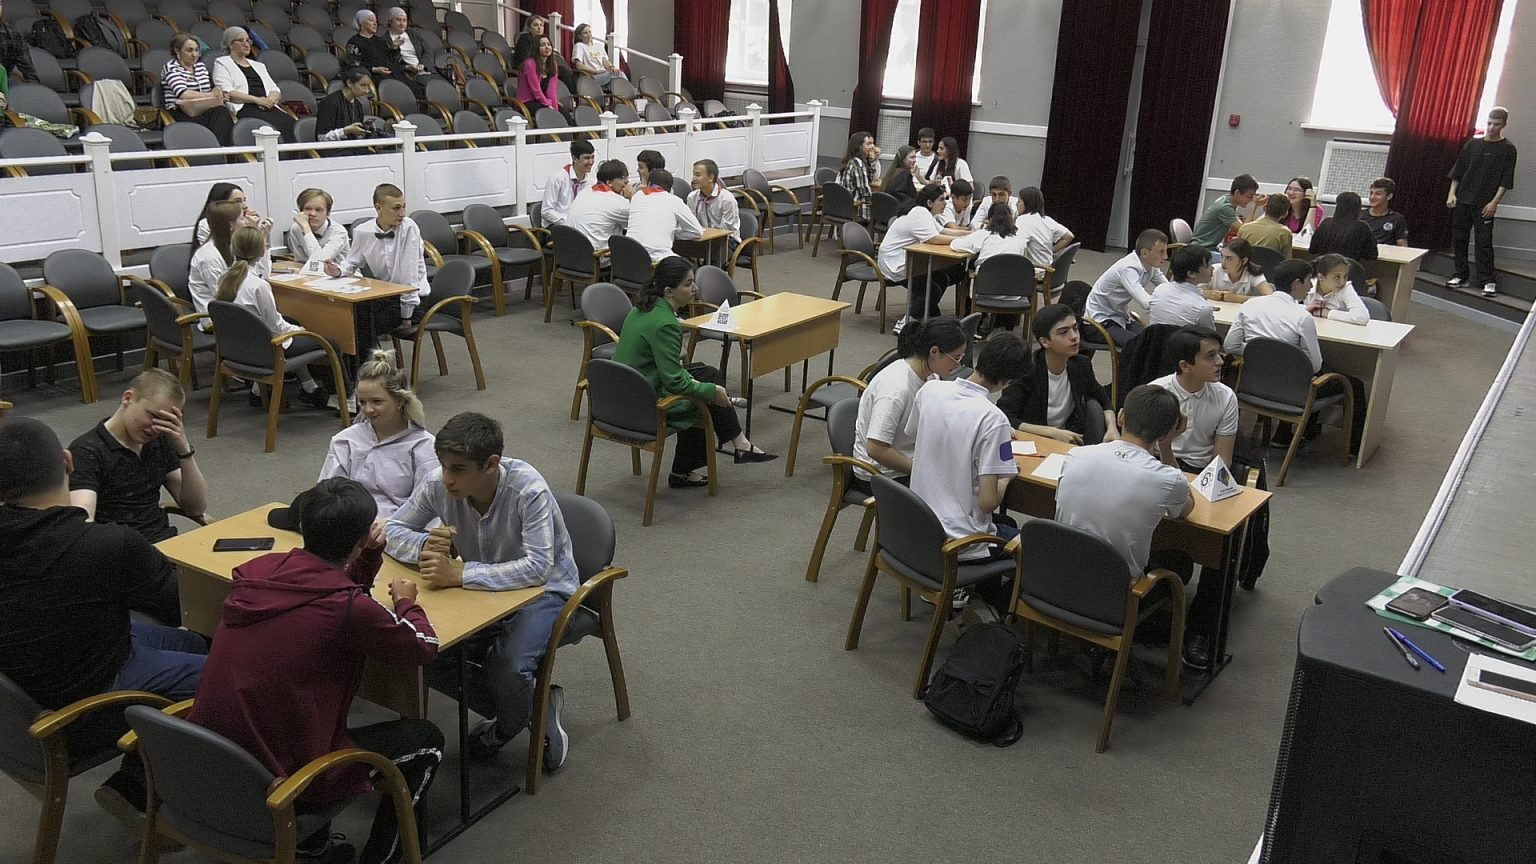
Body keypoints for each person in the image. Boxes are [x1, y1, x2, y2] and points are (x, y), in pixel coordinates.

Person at [189, 478, 440, 864]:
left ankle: (313, 846)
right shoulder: (348, 609)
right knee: (426, 739)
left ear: (304, 525)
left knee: (302, 703)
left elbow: (323, 590)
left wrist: (366, 560)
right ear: (362, 538)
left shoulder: (260, 572)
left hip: (215, 761)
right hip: (283, 781)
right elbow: (423, 646)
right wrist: (407, 603)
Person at [0, 417, 207, 825]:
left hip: (28, 692)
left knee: (199, 644)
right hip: (82, 701)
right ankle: (137, 784)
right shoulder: (108, 544)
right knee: (227, 677)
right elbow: (182, 610)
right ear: (67, 462)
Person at [384, 412, 578, 764]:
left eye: (458, 469)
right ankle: (530, 709)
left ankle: (506, 726)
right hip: (483, 588)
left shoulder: (528, 490)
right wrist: (427, 546)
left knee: (508, 665)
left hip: (544, 591)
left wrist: (459, 576)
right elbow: (392, 530)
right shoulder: (438, 483)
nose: (447, 479)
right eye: (443, 466)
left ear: (491, 464)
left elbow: (538, 568)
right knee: (428, 653)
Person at [610, 257, 775, 486]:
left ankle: (739, 444)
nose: (695, 288)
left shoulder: (642, 308)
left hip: (620, 393)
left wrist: (705, 386)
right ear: (669, 291)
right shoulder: (666, 324)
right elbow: (675, 382)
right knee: (701, 399)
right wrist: (710, 392)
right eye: (688, 284)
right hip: (641, 403)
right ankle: (687, 470)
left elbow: (664, 367)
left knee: (708, 374)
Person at [1054, 385, 1193, 646]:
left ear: (1120, 417)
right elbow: (1185, 509)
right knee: (1180, 562)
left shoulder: (1075, 455)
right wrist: (1167, 446)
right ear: (1167, 432)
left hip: (1055, 581)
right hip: (1114, 597)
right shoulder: (1169, 479)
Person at [1149, 326, 1239, 668]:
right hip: (1157, 465)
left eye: (1220, 354)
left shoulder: (1225, 397)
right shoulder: (1157, 393)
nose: (1220, 362)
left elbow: (1222, 462)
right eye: (1211, 356)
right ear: (1185, 365)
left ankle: (1200, 631)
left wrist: (1200, 493)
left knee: (1222, 540)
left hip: (1203, 474)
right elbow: (1144, 450)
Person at [904, 332, 1029, 578]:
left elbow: (914, 433)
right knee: (1036, 548)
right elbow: (988, 502)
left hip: (920, 524)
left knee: (1007, 525)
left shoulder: (931, 389)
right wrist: (1006, 477)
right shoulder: (994, 420)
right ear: (1007, 382)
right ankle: (963, 589)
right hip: (960, 541)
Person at [68, 368, 208, 544]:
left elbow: (195, 508)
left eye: (166, 422)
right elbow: (81, 529)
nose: (155, 428)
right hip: (118, 550)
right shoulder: (86, 451)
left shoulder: (160, 441)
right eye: (152, 415)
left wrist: (184, 451)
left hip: (164, 545)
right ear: (128, 398)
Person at [219, 226, 332, 408]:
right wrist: (301, 331)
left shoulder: (225, 278)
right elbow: (276, 327)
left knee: (292, 322)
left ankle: (297, 388)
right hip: (266, 350)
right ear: (261, 251)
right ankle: (342, 398)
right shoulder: (258, 286)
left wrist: (294, 327)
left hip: (237, 348)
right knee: (332, 344)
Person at [851, 316, 967, 489]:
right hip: (880, 474)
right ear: (934, 352)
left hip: (910, 457)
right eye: (956, 357)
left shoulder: (931, 376)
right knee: (956, 490)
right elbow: (876, 449)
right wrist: (923, 471)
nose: (959, 364)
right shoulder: (895, 389)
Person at [320, 350, 437, 521]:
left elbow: (427, 505)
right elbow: (327, 494)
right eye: (362, 402)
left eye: (377, 402)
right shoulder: (345, 440)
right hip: (351, 523)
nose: (368, 409)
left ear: (400, 401)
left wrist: (391, 525)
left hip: (400, 526)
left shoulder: (424, 446)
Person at [998, 303, 1119, 445]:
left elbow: (1104, 401)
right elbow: (1005, 416)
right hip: (1032, 442)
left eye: (1075, 328)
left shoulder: (1081, 365)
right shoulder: (1027, 371)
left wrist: (1112, 428)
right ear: (1045, 342)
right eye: (1063, 332)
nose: (1074, 336)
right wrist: (1050, 432)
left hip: (1070, 440)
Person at [335, 183, 431, 335]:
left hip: (413, 300)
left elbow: (409, 274)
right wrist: (338, 271)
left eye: (403, 207)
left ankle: (366, 351)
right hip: (384, 295)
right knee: (348, 318)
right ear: (378, 208)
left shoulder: (408, 227)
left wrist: (406, 316)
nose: (402, 213)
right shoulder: (362, 231)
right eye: (396, 208)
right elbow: (352, 262)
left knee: (364, 328)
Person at [878, 184, 968, 331]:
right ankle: (907, 322)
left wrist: (971, 234)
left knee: (942, 277)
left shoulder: (924, 212)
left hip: (910, 260)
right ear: (930, 203)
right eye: (941, 199)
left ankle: (927, 315)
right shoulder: (919, 212)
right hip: (895, 263)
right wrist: (963, 240)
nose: (946, 203)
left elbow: (943, 231)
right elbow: (934, 239)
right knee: (932, 289)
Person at [1447, 107, 1517, 296]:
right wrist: (1452, 194)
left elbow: (1506, 180)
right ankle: (1460, 274)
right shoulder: (1472, 145)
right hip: (1463, 199)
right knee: (1459, 239)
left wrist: (1494, 202)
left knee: (1483, 242)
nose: (1492, 128)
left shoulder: (1508, 149)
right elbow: (1458, 172)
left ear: (1504, 125)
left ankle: (1487, 280)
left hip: (1485, 203)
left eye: (1496, 124)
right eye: (1489, 123)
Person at [1223, 258, 1323, 374]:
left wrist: (1260, 352)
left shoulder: (1249, 305)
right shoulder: (1303, 317)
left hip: (1252, 379)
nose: (1311, 286)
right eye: (1309, 280)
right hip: (1289, 380)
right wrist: (1282, 356)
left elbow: (1230, 346)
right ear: (1296, 284)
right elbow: (1315, 366)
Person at [1084, 228, 1169, 346]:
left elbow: (1168, 288)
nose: (1166, 257)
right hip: (1098, 323)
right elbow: (1146, 303)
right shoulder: (1129, 268)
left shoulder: (1150, 266)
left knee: (1153, 340)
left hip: (1119, 318)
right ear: (1145, 253)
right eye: (1161, 252)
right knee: (1141, 346)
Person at [211, 26, 295, 141]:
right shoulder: (222, 63)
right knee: (272, 126)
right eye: (241, 40)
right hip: (245, 107)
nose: (246, 44)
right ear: (230, 44)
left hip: (267, 106)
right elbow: (228, 92)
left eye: (248, 41)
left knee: (291, 123)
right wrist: (257, 100)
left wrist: (270, 100)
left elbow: (275, 90)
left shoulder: (259, 65)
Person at [189, 199, 270, 316]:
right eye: (242, 218)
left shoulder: (234, 246)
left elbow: (262, 276)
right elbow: (223, 297)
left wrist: (260, 241)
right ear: (230, 225)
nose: (246, 222)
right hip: (218, 319)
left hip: (239, 310)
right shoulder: (208, 257)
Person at [161, 33, 234, 146]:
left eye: (196, 50)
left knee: (222, 111)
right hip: (180, 112)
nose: (194, 54)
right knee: (220, 114)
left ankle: (223, 150)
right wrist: (212, 95)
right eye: (189, 50)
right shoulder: (171, 67)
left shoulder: (201, 67)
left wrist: (221, 96)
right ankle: (222, 150)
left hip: (202, 108)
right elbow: (183, 94)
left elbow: (208, 92)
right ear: (177, 51)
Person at [627, 168, 704, 261]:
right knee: (686, 266)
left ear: (649, 183)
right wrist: (673, 233)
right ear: (671, 189)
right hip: (656, 258)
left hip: (628, 255)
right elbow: (697, 232)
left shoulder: (637, 196)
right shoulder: (674, 201)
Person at [1307, 191, 1377, 288]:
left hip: (1323, 275)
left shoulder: (1326, 223)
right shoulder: (1362, 227)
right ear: (1358, 208)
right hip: (1348, 277)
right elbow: (1372, 255)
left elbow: (1312, 249)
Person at [566, 158, 632, 251]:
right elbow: (637, 222)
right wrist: (631, 198)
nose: (627, 182)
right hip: (596, 255)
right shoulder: (618, 203)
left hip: (569, 251)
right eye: (622, 178)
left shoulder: (586, 190)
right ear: (609, 182)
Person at [1149, 244, 1216, 329]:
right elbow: (1209, 335)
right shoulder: (1203, 308)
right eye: (1208, 265)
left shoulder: (1159, 290)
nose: (1213, 268)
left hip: (1153, 337)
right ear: (1191, 273)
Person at [1189, 174, 1259, 249]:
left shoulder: (1227, 200)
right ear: (1237, 193)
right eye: (1249, 197)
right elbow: (1244, 230)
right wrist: (1255, 206)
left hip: (1211, 246)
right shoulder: (1225, 208)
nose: (1251, 200)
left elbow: (1244, 228)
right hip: (1201, 247)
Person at [315, 68, 376, 152]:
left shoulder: (358, 104)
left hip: (352, 147)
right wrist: (345, 131)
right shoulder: (330, 103)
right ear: (349, 83)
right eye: (362, 85)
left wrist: (364, 131)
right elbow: (321, 138)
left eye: (368, 86)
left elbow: (357, 138)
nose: (367, 90)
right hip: (333, 150)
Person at [286, 187, 351, 266]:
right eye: (308, 209)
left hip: (342, 272)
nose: (313, 214)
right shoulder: (296, 229)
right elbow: (300, 261)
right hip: (310, 271)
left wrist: (307, 229)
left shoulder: (339, 231)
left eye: (318, 210)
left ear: (328, 213)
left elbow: (321, 260)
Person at [1014, 186, 1075, 270]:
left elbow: (1020, 247)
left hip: (1034, 271)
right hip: (1048, 269)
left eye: (1019, 201)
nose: (1016, 204)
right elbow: (1069, 236)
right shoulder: (1047, 219)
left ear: (1027, 203)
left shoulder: (1022, 220)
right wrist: (1051, 251)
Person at [192, 182, 267, 248]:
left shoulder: (243, 220)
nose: (245, 206)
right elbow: (235, 253)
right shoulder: (206, 224)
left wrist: (261, 234)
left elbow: (259, 257)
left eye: (244, 200)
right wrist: (249, 231)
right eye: (237, 201)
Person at [542, 138, 597, 227]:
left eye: (592, 157)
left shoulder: (591, 181)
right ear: (574, 158)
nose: (591, 162)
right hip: (557, 225)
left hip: (579, 225)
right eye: (586, 158)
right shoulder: (557, 178)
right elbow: (546, 211)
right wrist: (569, 222)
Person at [687, 158, 741, 245]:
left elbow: (726, 230)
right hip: (702, 238)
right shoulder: (692, 197)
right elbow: (692, 224)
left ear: (710, 178)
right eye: (693, 174)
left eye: (698, 175)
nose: (693, 179)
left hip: (726, 241)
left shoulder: (726, 199)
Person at [1201, 237, 1271, 302]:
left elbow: (1270, 298)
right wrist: (1207, 293)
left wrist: (1237, 298)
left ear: (1244, 261)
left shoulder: (1254, 273)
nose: (1223, 262)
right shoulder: (1214, 270)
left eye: (1229, 258)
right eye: (1222, 256)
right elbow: (1195, 291)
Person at [1306, 252, 1369, 325]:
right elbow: (1293, 310)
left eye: (1345, 276)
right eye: (1337, 277)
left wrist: (1326, 313)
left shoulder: (1345, 288)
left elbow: (1362, 317)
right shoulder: (1307, 285)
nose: (1342, 282)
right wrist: (1306, 309)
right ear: (1321, 277)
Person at [383, 7, 438, 85]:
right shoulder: (384, 40)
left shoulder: (413, 33)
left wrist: (423, 65)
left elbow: (427, 50)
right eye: (398, 20)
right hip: (407, 75)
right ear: (390, 21)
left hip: (426, 70)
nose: (402, 23)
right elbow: (389, 63)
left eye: (404, 20)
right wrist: (394, 48)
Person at [838, 131, 881, 223]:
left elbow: (874, 177)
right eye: (868, 144)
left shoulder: (852, 160)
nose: (872, 147)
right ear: (859, 147)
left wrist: (874, 160)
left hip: (845, 206)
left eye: (873, 143)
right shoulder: (858, 164)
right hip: (856, 209)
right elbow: (865, 191)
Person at [516, 35, 563, 117]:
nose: (547, 47)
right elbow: (536, 90)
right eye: (542, 45)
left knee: (565, 116)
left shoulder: (553, 64)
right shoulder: (529, 64)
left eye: (549, 44)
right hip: (528, 101)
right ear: (536, 48)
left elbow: (551, 91)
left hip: (544, 101)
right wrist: (547, 105)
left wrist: (555, 107)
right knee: (549, 115)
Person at [572, 22, 624, 87]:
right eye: (585, 33)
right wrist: (595, 71)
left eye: (590, 32)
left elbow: (605, 61)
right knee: (615, 75)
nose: (589, 34)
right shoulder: (579, 46)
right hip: (592, 77)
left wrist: (612, 68)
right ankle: (630, 91)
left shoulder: (599, 46)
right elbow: (579, 65)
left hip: (604, 74)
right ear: (579, 36)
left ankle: (629, 91)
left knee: (619, 73)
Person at [1363, 176, 1409, 247]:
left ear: (1389, 196)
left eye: (1378, 194)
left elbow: (1403, 246)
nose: (1372, 197)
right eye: (1371, 193)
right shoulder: (1359, 215)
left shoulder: (1397, 219)